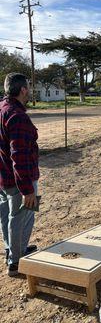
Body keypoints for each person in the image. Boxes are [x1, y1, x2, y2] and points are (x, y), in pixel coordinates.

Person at [0, 73, 39, 276]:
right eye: (29, 87)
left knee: (6, 216)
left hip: (3, 178)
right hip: (18, 180)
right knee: (21, 217)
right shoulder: (18, 117)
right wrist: (27, 189)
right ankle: (16, 262)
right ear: (23, 90)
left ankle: (13, 251)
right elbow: (20, 156)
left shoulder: (2, 109)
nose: (30, 90)